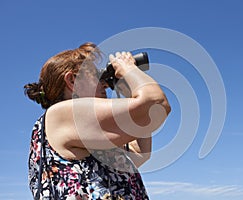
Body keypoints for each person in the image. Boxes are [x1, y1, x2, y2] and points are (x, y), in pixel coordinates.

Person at [24, 42, 171, 199]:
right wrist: (128, 68)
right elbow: (157, 105)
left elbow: (139, 153)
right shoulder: (61, 114)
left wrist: (130, 92)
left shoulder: (83, 132)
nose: (104, 84)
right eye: (95, 76)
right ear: (72, 80)